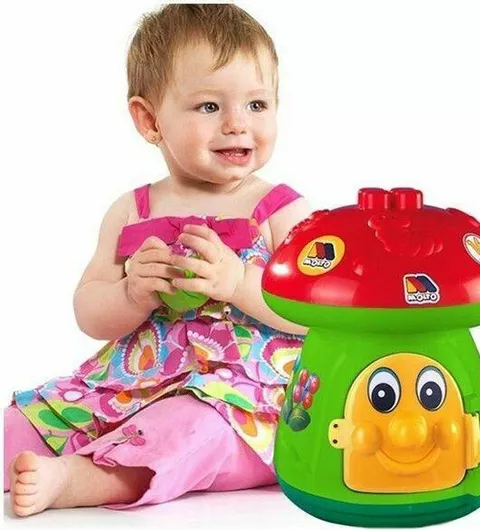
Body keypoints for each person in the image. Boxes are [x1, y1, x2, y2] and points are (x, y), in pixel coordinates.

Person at [4, 4, 311, 517]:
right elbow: (88, 309)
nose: (238, 124)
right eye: (209, 106)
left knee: (190, 428)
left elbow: (318, 310)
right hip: (131, 386)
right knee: (26, 420)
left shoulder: (280, 211)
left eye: (257, 104)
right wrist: (129, 294)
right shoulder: (132, 210)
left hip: (240, 400)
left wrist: (239, 282)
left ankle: (81, 479)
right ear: (150, 121)